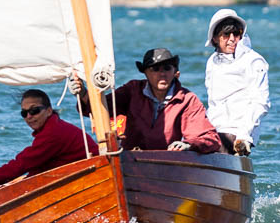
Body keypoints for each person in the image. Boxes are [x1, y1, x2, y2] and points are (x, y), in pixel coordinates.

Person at [0, 89, 98, 197]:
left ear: (49, 111)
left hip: (90, 182)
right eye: (24, 113)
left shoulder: (53, 133)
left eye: (34, 110)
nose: (29, 116)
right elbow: (37, 170)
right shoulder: (55, 128)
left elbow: (21, 165)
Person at [72, 48, 221, 153]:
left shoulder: (187, 99)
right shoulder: (132, 90)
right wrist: (83, 94)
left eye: (167, 68)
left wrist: (188, 144)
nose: (162, 73)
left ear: (175, 72)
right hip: (130, 160)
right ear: (145, 73)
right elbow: (98, 110)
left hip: (167, 165)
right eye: (155, 69)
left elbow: (209, 138)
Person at [205, 8, 269, 156]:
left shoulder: (253, 60)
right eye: (226, 34)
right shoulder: (212, 62)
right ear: (215, 38)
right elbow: (213, 103)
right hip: (214, 128)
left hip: (238, 131)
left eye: (236, 33)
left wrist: (243, 136)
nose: (232, 39)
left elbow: (261, 102)